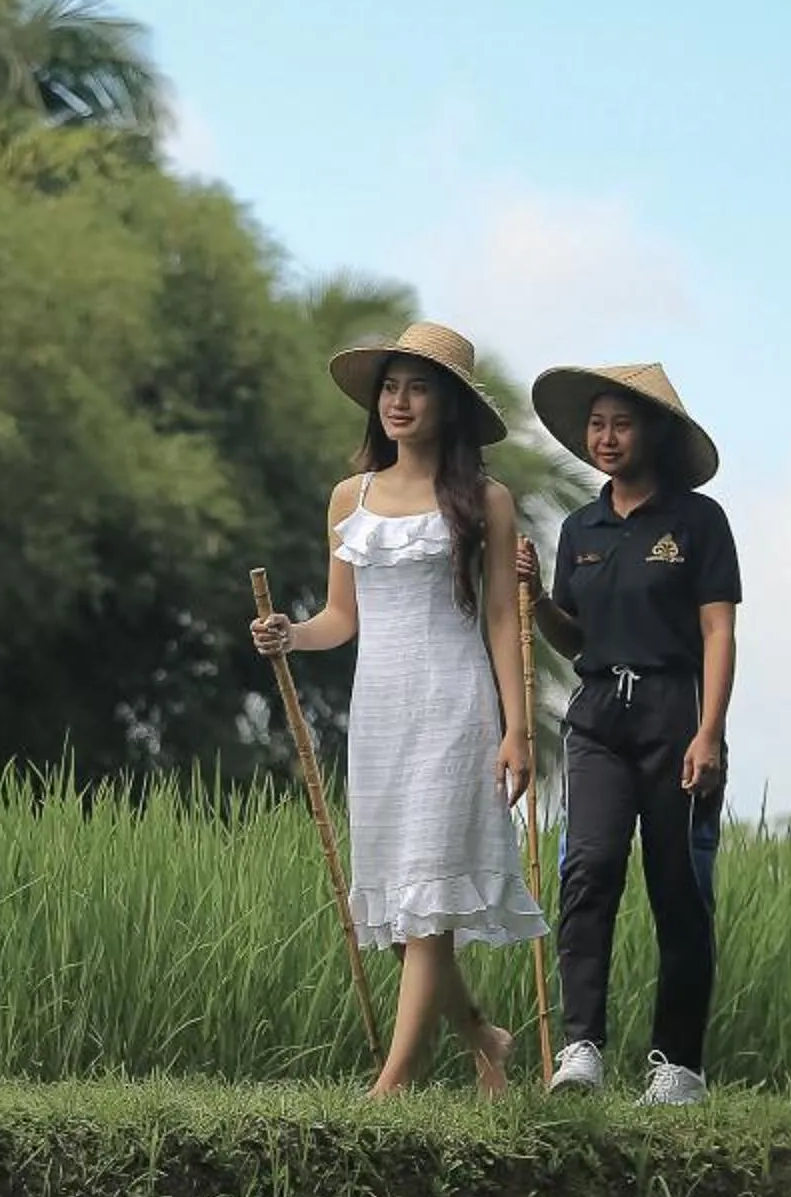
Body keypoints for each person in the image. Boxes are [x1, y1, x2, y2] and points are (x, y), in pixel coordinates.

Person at [252, 321, 548, 1098]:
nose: (399, 401)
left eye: (417, 387)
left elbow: (500, 620)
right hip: (379, 714)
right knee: (395, 911)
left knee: (427, 904)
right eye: (390, 386)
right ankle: (483, 1036)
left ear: (449, 404)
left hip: (456, 708)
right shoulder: (351, 498)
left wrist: (518, 729)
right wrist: (289, 633)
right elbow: (340, 617)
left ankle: (395, 1082)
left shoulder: (487, 499)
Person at [512, 363, 740, 1106]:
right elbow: (572, 635)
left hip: (677, 716)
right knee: (590, 869)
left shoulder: (698, 520)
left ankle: (678, 1066)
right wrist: (536, 598)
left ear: (654, 432)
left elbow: (718, 631)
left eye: (623, 423)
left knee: (677, 886)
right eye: (597, 425)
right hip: (599, 716)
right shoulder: (582, 527)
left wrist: (710, 733)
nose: (606, 438)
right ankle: (581, 1048)